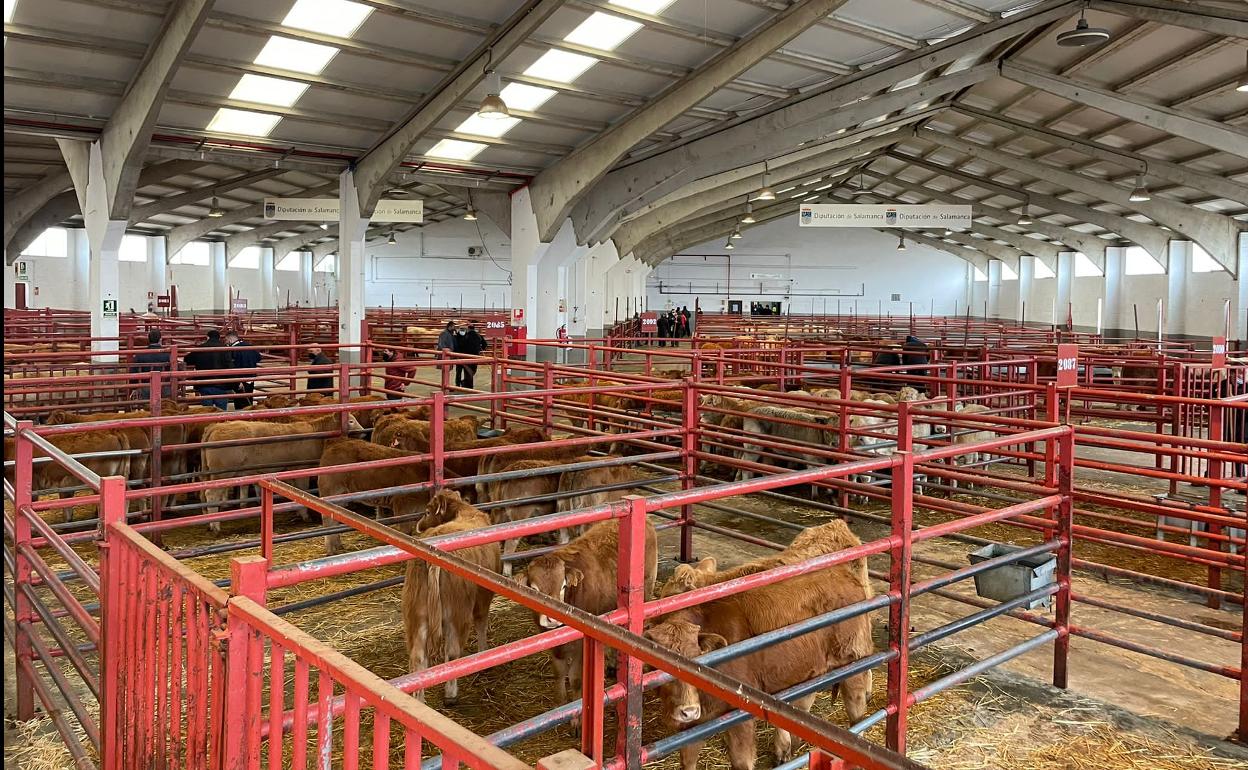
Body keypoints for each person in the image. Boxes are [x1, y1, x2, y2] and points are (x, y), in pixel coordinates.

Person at [183, 329, 234, 410]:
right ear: (219, 338)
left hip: (204, 383)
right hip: (221, 384)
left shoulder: (200, 348)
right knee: (221, 410)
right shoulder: (225, 349)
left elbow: (187, 360)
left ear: (207, 337)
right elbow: (230, 365)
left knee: (207, 410)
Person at [131, 328, 172, 400]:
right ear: (160, 339)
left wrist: (134, 387)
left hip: (145, 389)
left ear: (148, 339)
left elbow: (133, 373)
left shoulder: (140, 355)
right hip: (164, 388)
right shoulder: (168, 355)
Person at [225, 330, 262, 409]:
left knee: (239, 400)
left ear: (230, 339)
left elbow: (232, 366)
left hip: (239, 378)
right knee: (249, 397)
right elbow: (259, 358)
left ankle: (241, 417)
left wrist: (238, 380)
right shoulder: (250, 346)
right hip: (251, 377)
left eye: (226, 340)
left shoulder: (233, 350)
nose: (226, 342)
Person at [454, 323, 487, 389]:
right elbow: (485, 344)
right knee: (471, 371)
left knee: (464, 371)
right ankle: (466, 384)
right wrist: (479, 349)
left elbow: (461, 345)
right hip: (475, 356)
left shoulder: (466, 336)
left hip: (465, 356)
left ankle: (463, 384)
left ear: (468, 329)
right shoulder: (478, 336)